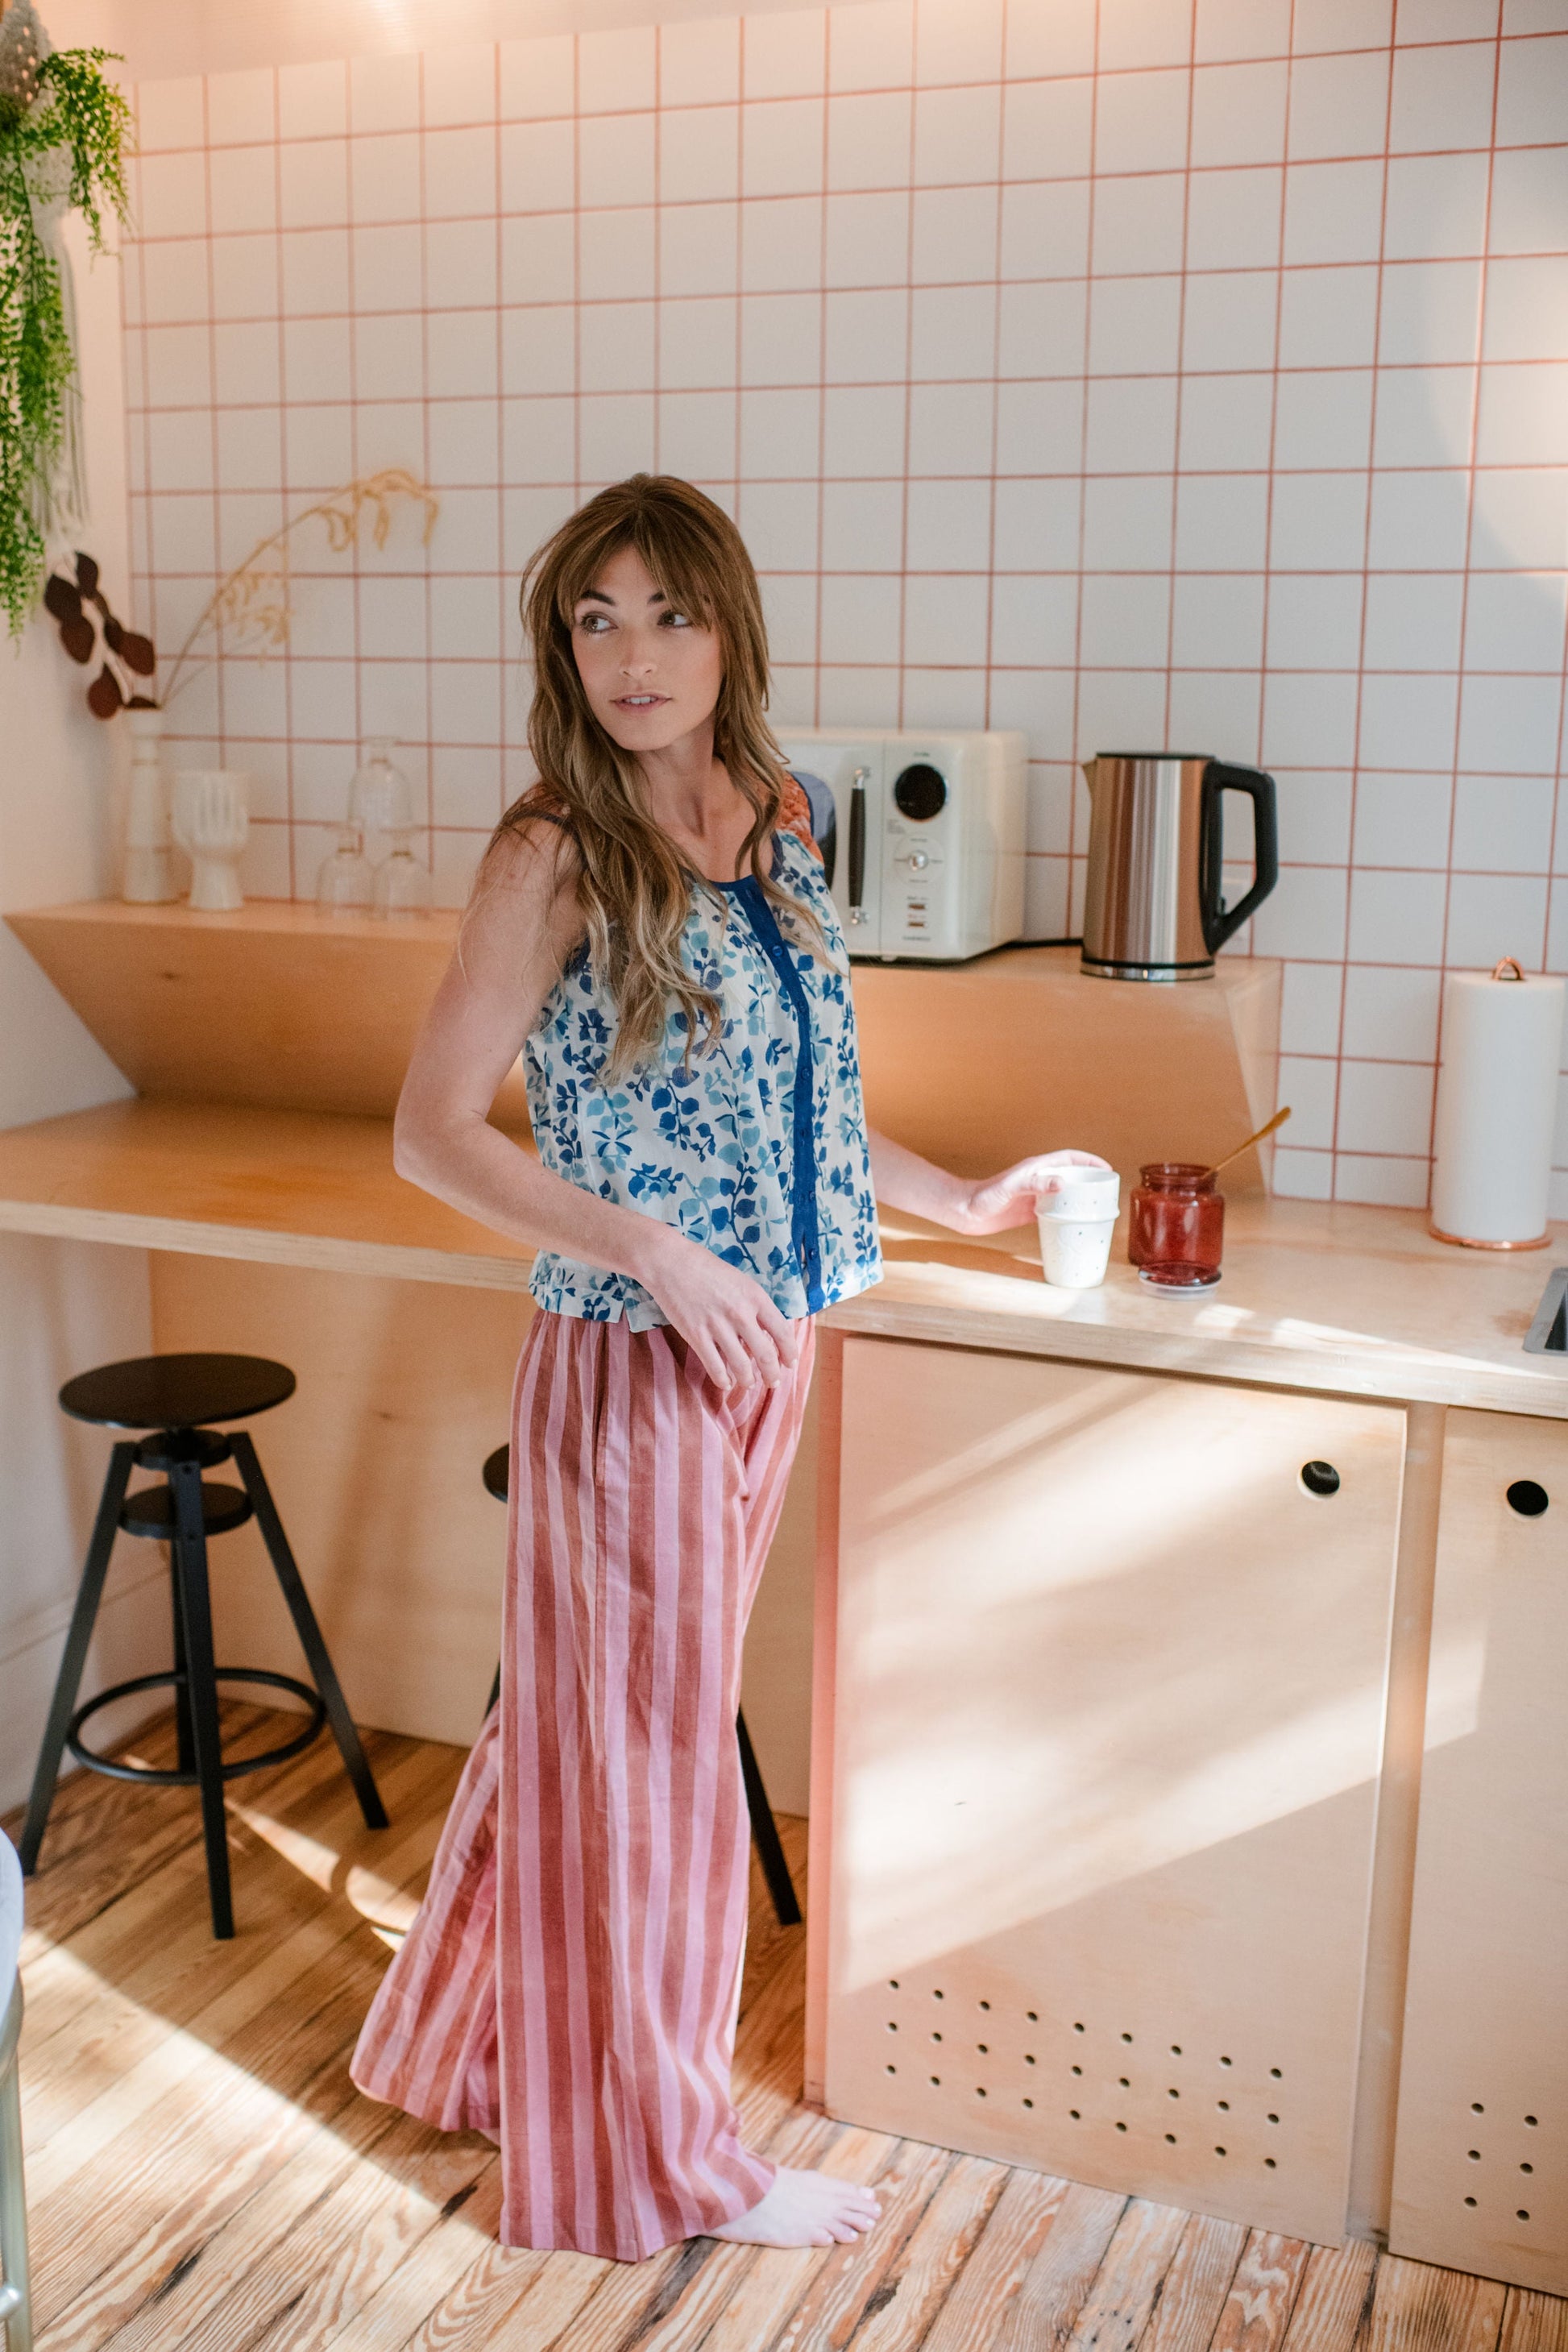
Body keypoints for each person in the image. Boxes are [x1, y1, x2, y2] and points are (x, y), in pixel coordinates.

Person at [350, 473, 1106, 2263]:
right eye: (595, 617)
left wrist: (968, 1198)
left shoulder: (777, 818)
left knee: (591, 1733)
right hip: (632, 1366)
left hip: (765, 1350)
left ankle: (464, 2044)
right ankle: (652, 2161)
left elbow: (813, 1103)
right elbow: (429, 1131)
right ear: (564, 645)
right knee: (651, 1767)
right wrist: (651, 1248)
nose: (632, 652)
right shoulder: (553, 848)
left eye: (667, 613)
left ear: (726, 628)